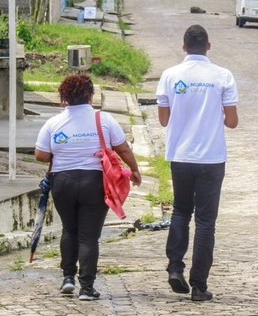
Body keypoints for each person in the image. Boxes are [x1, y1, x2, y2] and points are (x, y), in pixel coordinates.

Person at [35, 74, 141, 301]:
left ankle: (67, 279)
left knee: (69, 230)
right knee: (89, 237)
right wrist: (134, 169)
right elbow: (122, 149)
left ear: (64, 98)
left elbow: (41, 155)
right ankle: (87, 288)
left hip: (61, 182)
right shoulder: (104, 120)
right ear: (91, 96)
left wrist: (64, 149)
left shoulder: (53, 123)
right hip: (94, 182)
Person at [156, 25, 239, 302]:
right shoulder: (223, 76)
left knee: (180, 211)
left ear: (183, 47)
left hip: (180, 155)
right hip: (212, 158)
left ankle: (175, 267)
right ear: (209, 46)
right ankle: (199, 286)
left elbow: (164, 119)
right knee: (206, 222)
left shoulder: (169, 75)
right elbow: (233, 121)